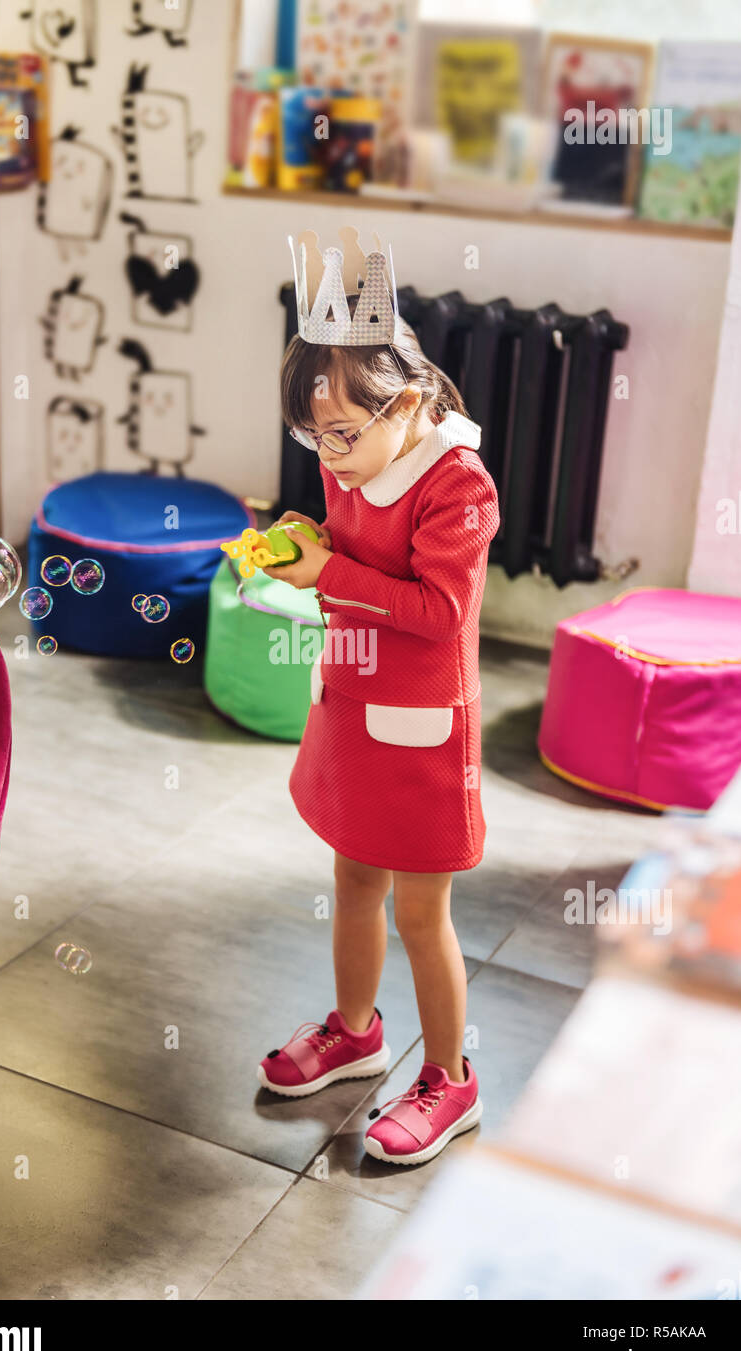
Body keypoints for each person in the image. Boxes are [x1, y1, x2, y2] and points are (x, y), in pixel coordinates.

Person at [257, 241, 500, 1165]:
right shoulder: (350, 454)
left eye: (343, 436)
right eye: (313, 438)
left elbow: (441, 613)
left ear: (404, 405)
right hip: (351, 703)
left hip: (422, 731)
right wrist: (306, 539)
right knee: (352, 882)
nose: (330, 456)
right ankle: (355, 1031)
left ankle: (450, 1080)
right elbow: (348, 543)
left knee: (419, 912)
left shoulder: (458, 484)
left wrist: (333, 571)